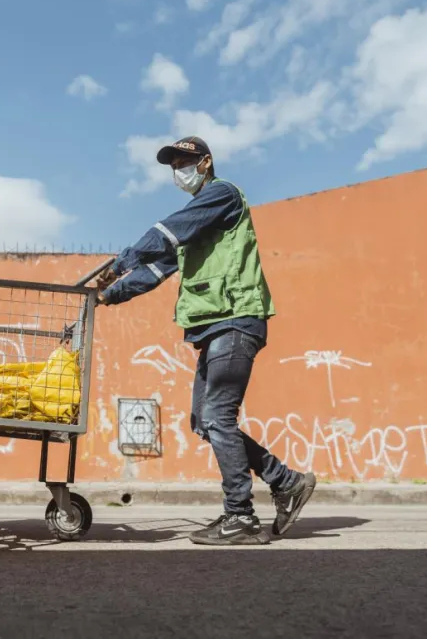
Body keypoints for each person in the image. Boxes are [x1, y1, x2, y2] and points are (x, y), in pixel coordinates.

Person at [96, 135, 316, 546]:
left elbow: (167, 233)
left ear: (205, 162)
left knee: (217, 415)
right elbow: (157, 269)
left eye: (184, 161)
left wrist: (121, 260)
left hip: (236, 318)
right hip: (215, 326)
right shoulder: (197, 224)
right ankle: (286, 483)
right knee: (205, 421)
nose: (179, 170)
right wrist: (108, 296)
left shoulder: (222, 196)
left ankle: (241, 517)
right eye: (174, 164)